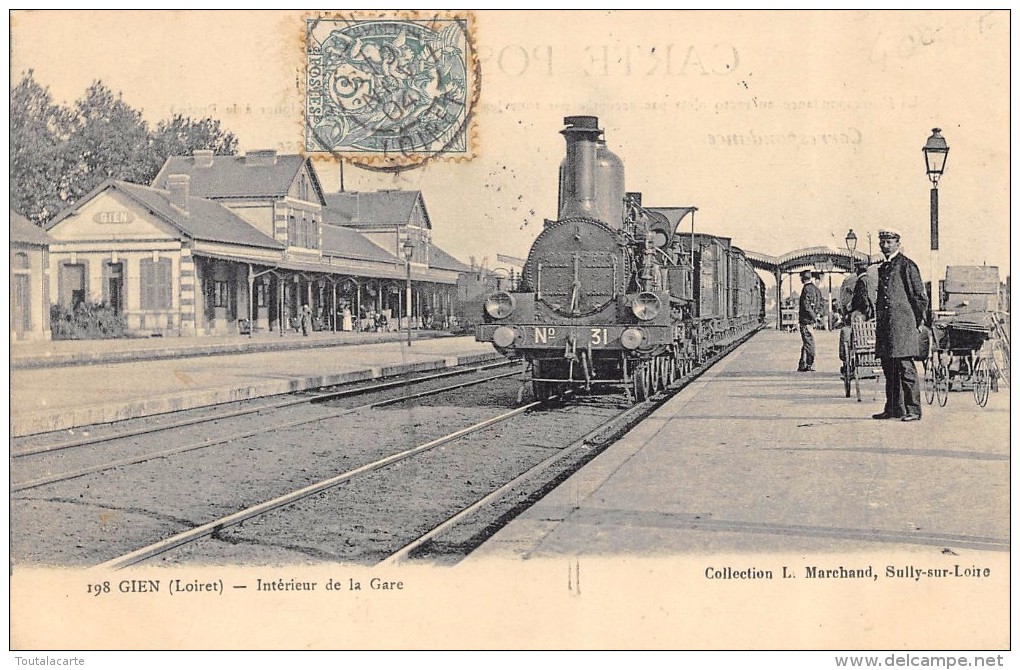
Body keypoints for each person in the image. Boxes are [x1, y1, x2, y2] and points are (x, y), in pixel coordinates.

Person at [873, 228, 928, 422]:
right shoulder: (883, 267)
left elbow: (920, 297)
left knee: (906, 368)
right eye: (883, 242)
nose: (885, 246)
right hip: (887, 327)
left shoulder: (907, 266)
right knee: (889, 368)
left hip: (903, 326)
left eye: (889, 242)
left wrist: (917, 321)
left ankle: (913, 410)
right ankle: (894, 408)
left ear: (898, 243)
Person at [839, 260, 875, 375]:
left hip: (862, 314)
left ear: (857, 270)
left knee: (846, 332)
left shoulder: (860, 281)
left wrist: (850, 308)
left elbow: (861, 299)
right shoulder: (872, 281)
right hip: (873, 315)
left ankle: (847, 359)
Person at [797, 269, 823, 371]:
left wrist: (814, 316)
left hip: (806, 320)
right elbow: (821, 303)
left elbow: (806, 306)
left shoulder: (806, 289)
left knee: (808, 342)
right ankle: (802, 363)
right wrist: (818, 315)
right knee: (807, 341)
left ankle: (810, 364)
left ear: (803, 278)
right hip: (811, 320)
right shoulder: (816, 289)